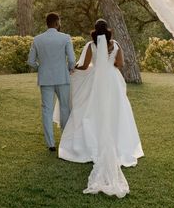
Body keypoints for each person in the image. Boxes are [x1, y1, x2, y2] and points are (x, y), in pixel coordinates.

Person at [58, 18, 143, 198]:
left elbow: (84, 64)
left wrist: (75, 68)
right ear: (109, 31)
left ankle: (90, 143)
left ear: (95, 31)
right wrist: (109, 64)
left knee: (90, 110)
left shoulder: (90, 46)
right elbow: (120, 64)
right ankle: (118, 142)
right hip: (112, 79)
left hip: (96, 80)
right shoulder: (116, 45)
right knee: (116, 109)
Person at [27, 12, 75, 151]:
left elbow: (31, 61)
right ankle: (65, 140)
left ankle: (51, 144)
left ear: (47, 23)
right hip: (62, 77)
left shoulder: (37, 39)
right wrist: (69, 69)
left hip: (45, 79)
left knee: (47, 110)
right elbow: (72, 60)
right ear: (56, 22)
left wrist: (40, 67)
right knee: (65, 108)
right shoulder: (65, 38)